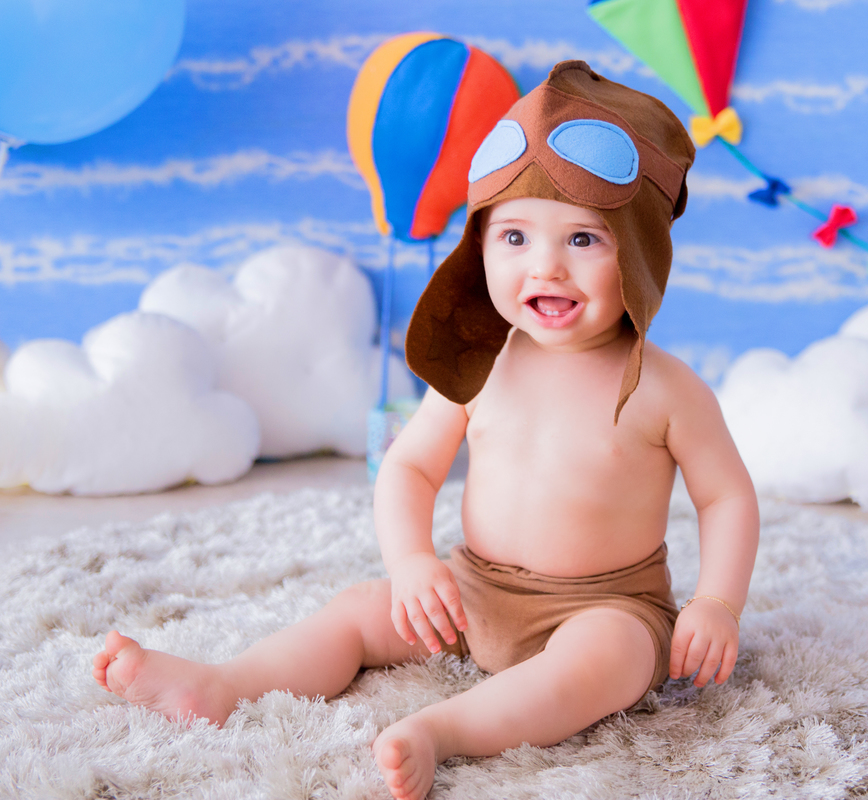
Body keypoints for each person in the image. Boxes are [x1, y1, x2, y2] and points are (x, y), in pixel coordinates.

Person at [92, 61, 759, 800]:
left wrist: (715, 603)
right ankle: (222, 685)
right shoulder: (483, 362)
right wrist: (412, 562)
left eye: (583, 240)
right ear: (478, 246)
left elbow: (726, 496)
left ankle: (447, 729)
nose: (546, 265)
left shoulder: (667, 389)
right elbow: (410, 469)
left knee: (604, 661)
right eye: (514, 237)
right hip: (474, 589)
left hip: (606, 605)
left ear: (637, 256)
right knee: (356, 611)